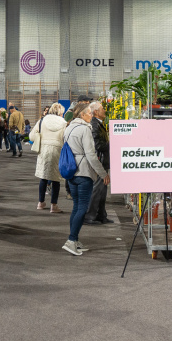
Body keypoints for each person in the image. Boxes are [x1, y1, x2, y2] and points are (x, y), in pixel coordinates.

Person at [62, 102, 109, 256]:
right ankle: (71, 240)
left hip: (72, 172)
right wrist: (103, 174)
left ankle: (74, 240)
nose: (91, 115)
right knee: (82, 207)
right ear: (82, 114)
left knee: (76, 207)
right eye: (89, 113)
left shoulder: (69, 128)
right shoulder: (85, 129)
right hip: (83, 172)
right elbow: (91, 155)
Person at [32, 102, 67, 213]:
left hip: (44, 151)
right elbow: (66, 138)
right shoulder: (64, 123)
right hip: (58, 150)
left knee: (44, 177)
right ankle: (54, 205)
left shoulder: (42, 121)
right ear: (61, 112)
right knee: (56, 179)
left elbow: (31, 136)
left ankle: (40, 203)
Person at [84, 101, 114, 225]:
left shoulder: (98, 124)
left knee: (102, 190)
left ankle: (101, 215)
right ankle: (89, 216)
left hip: (103, 161)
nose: (104, 111)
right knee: (97, 190)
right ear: (96, 112)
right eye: (102, 109)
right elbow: (97, 145)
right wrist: (112, 143)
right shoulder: (94, 125)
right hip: (99, 161)